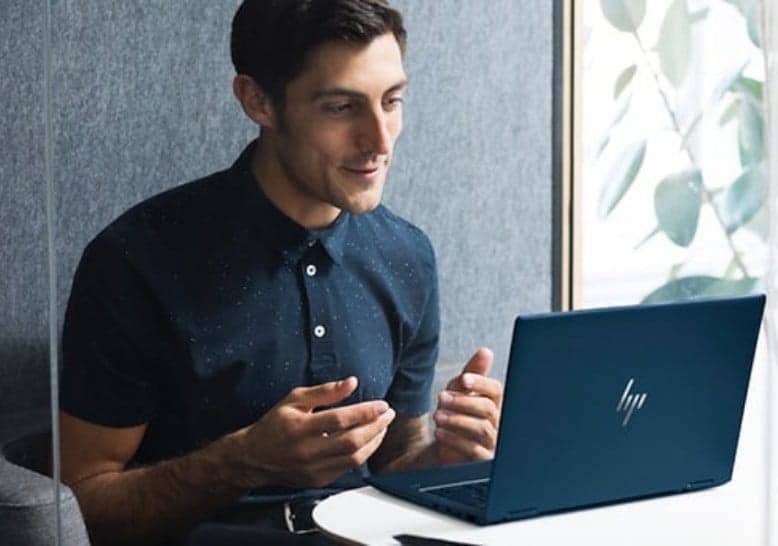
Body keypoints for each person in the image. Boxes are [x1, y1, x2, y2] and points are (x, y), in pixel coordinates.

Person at [60, 1, 503, 544]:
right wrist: (245, 460)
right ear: (257, 101)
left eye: (392, 101)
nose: (381, 141)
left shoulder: (407, 256)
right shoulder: (135, 260)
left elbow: (395, 466)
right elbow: (80, 502)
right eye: (342, 107)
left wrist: (448, 456)